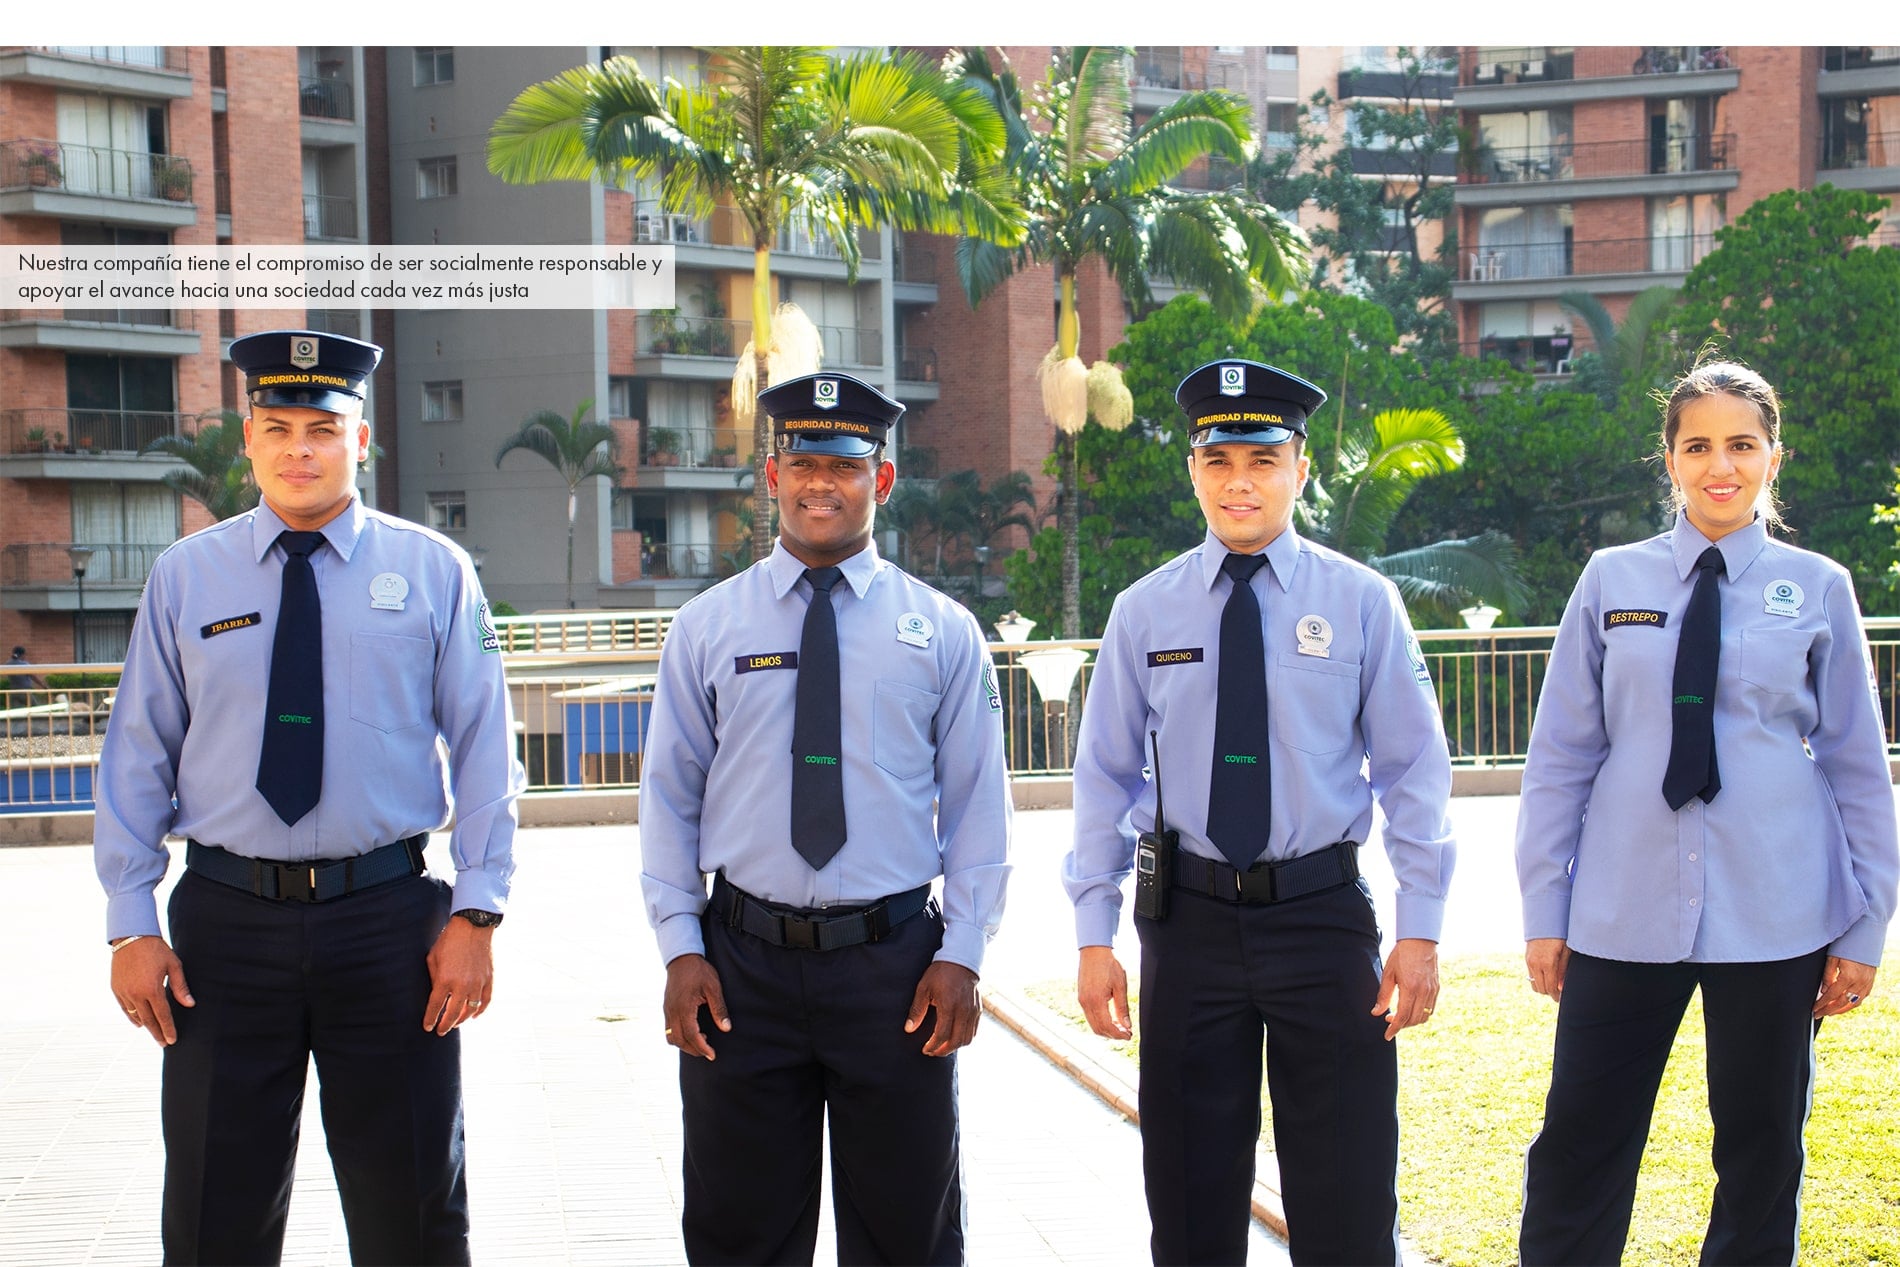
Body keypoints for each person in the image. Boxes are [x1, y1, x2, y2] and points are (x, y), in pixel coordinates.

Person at [94, 329, 525, 1265]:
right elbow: (136, 753)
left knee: (411, 1203)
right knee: (215, 1207)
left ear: (360, 441)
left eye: (323, 428)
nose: (300, 449)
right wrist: (132, 923)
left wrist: (478, 911)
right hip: (224, 927)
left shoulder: (432, 572)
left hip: (388, 925)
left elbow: (488, 743)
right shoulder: (186, 576)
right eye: (279, 426)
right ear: (247, 437)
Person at [1066, 359, 1456, 1266]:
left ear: (1300, 469)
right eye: (1220, 459)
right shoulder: (1143, 610)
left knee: (1347, 1194)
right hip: (1189, 925)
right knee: (1193, 1198)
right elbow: (1105, 779)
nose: (1240, 481)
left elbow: (1413, 773)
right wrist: (1095, 933)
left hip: (1321, 918)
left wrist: (1421, 929)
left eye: (1263, 459)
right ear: (1193, 469)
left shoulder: (1362, 603)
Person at [1515, 359, 1898, 1265]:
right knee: (1579, 1142)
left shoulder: (1818, 586)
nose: (1719, 465)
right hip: (1620, 911)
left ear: (1774, 455)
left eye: (1741, 444)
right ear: (1671, 459)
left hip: (1778, 914)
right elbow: (1562, 756)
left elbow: (1855, 766)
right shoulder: (1611, 580)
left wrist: (1865, 926)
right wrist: (1544, 909)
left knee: (1763, 1152)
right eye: (1697, 446)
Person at [640, 371, 1012, 1266]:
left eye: (842, 467)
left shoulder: (945, 631)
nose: (820, 484)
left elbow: (976, 809)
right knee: (739, 1233)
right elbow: (668, 800)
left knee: (906, 1232)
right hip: (741, 970)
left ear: (879, 481)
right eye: (801, 462)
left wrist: (962, 953)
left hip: (894, 972)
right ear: (772, 476)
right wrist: (681, 948)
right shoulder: (705, 628)